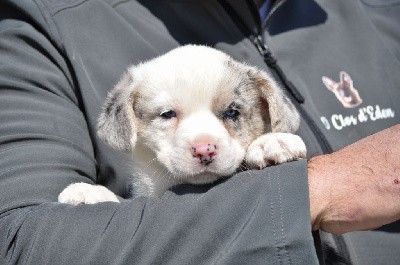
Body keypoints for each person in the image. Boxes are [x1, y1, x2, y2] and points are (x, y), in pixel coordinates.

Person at [0, 0, 399, 264]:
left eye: (230, 113)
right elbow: (20, 242)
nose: (205, 144)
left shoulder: (381, 11)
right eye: (169, 114)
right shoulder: (42, 24)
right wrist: (321, 190)